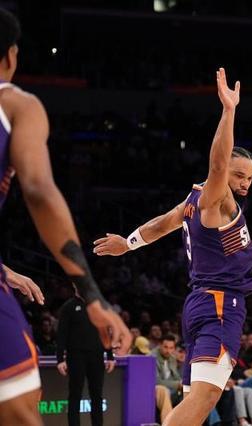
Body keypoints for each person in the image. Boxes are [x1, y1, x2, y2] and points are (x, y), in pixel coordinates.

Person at [94, 68, 252, 426]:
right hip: (219, 303)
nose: (245, 183)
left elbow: (159, 225)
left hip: (199, 303)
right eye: (239, 175)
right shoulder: (217, 199)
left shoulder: (192, 201)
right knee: (205, 397)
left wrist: (128, 243)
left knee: (194, 403)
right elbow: (218, 164)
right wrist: (229, 111)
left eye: (250, 178)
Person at [0, 8, 130, 424]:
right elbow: (39, 191)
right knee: (21, 410)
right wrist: (91, 295)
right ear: (11, 56)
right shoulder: (16, 104)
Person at [56, 285, 117, 426]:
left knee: (97, 395)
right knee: (75, 395)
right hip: (75, 356)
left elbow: (105, 332)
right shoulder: (68, 307)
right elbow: (61, 334)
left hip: (97, 356)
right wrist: (60, 359)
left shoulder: (98, 306)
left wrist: (110, 356)